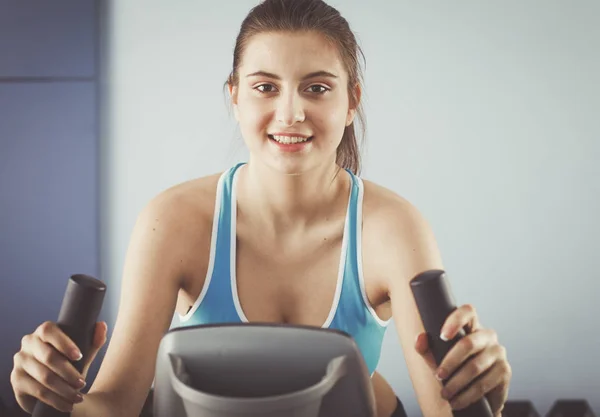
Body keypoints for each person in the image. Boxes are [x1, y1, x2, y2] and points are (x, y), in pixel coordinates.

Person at [10, 1, 512, 416]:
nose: (290, 113)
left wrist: (483, 392)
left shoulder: (392, 229)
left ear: (351, 99)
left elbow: (446, 409)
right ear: (234, 97)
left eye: (317, 88)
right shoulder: (176, 221)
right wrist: (48, 395)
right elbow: (114, 404)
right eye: (265, 87)